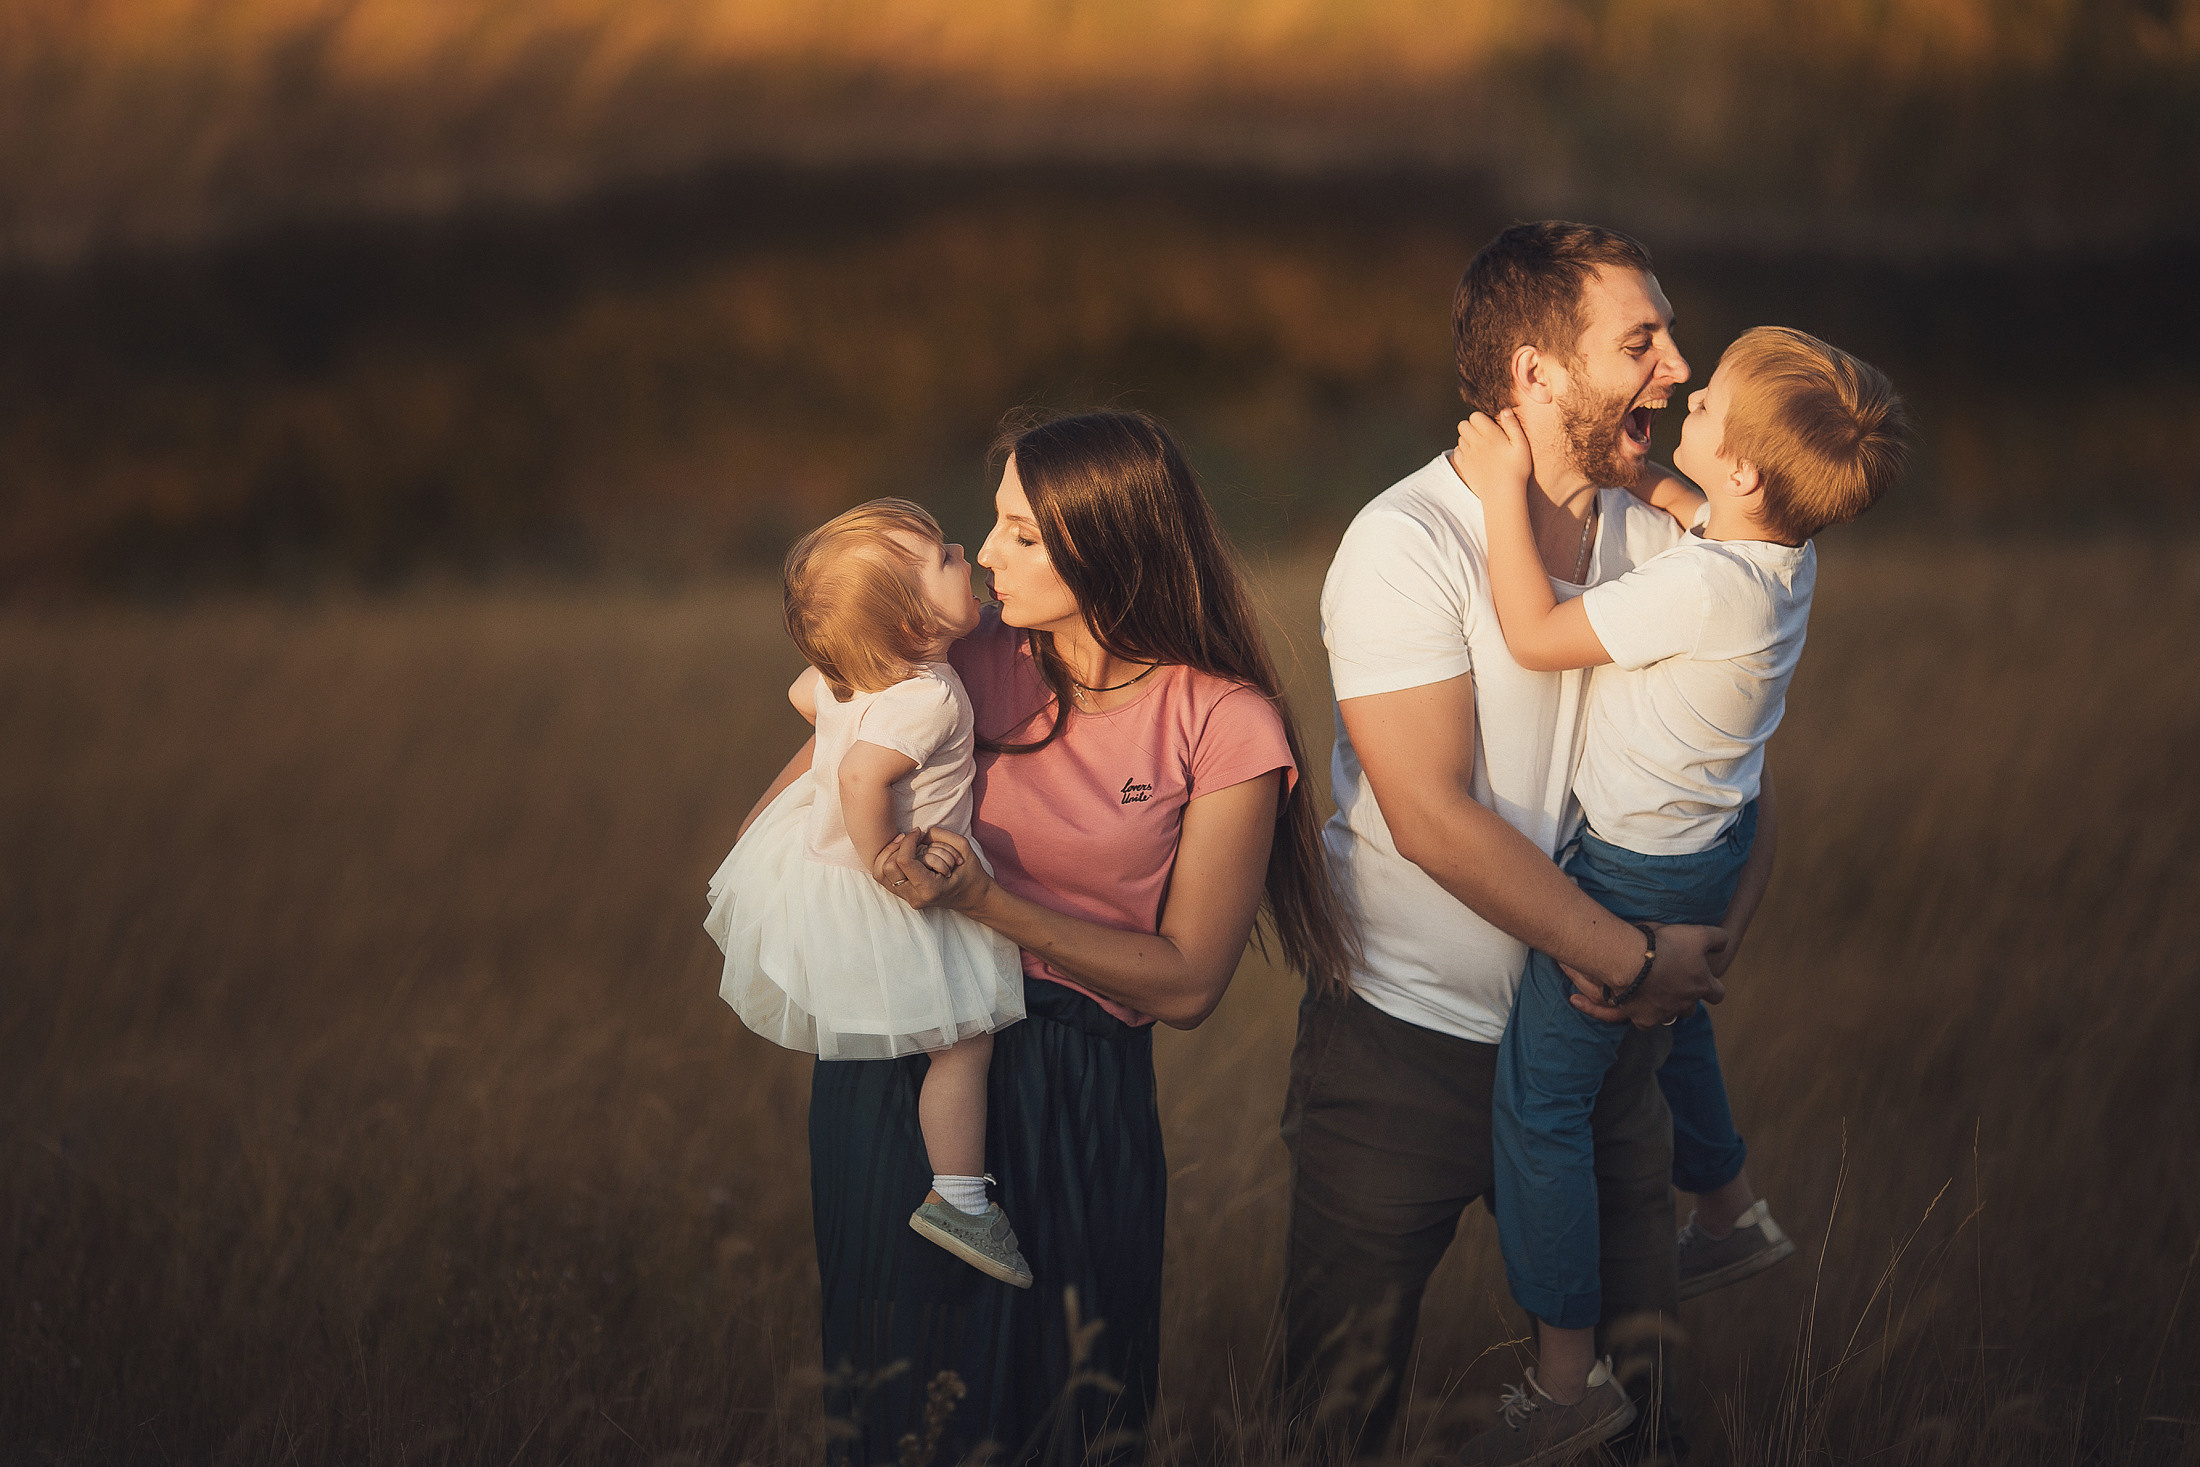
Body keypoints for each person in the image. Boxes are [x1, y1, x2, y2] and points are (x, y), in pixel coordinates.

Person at [735, 410, 1356, 1466]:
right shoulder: (954, 652)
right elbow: (805, 800)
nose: (984, 553)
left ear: (1107, 544)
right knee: (899, 1411)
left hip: (1078, 1090)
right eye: (991, 523)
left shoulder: (1223, 720)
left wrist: (988, 907)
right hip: (908, 1073)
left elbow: (1190, 982)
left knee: (1065, 1415)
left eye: (1021, 533)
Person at [1281, 221, 1728, 1464]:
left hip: (1603, 1059)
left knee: (1637, 1411)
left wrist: (1682, 964)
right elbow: (1426, 814)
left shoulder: (1666, 542)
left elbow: (1730, 776)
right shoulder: (1406, 543)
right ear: (1533, 373)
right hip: (1401, 1045)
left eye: (1669, 337)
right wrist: (1630, 958)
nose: (1676, 368)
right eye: (1639, 341)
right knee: (1334, 1408)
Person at [1450, 327, 1909, 1462]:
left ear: (1744, 471)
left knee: (1541, 1104)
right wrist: (1641, 471)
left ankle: (1567, 1381)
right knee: (1674, 1020)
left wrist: (1505, 489)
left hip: (1634, 865)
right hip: (1707, 843)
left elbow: (1536, 633)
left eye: (1704, 409)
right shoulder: (1776, 555)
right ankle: (1728, 1207)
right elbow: (1703, 509)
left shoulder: (1704, 585)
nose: (1684, 400)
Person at [705, 498, 1036, 1287]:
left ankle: (948, 1188)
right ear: (913, 622)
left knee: (932, 1041)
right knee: (962, 1043)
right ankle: (959, 1195)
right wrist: (888, 854)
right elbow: (861, 775)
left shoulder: (848, 675)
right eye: (946, 561)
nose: (966, 552)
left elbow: (804, 701)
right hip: (878, 883)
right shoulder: (930, 695)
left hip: (814, 871)